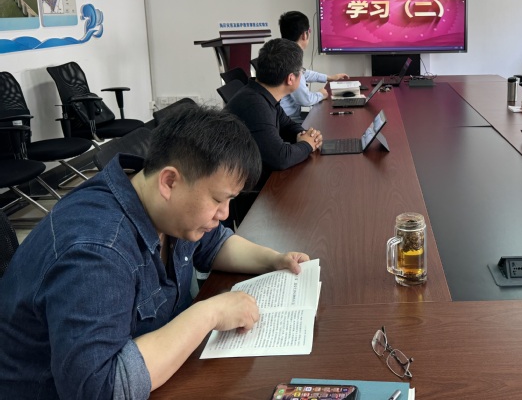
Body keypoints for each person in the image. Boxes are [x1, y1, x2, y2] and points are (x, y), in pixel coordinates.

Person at [0, 105, 310, 399]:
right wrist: (209, 314)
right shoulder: (97, 252)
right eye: (218, 199)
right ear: (169, 181)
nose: (225, 213)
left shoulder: (165, 205)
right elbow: (101, 389)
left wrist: (273, 259)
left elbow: (215, 244)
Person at [225, 37, 323, 195]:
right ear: (290, 78)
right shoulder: (255, 105)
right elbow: (280, 158)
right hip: (250, 191)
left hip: (261, 176)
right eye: (301, 72)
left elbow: (286, 124)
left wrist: (303, 134)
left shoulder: (261, 94)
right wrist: (307, 145)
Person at [278, 11, 349, 122]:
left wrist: (328, 77)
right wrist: (321, 94)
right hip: (288, 122)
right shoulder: (290, 61)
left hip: (282, 117)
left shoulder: (282, 53)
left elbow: (303, 73)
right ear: (304, 34)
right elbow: (305, 100)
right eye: (309, 31)